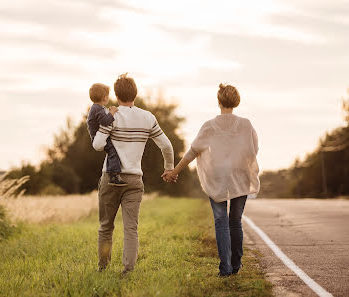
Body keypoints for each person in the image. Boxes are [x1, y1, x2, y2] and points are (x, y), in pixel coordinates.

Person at [163, 83, 260, 277]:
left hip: (218, 177)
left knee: (221, 221)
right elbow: (254, 149)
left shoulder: (209, 126)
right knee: (235, 221)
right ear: (236, 101)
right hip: (240, 175)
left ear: (219, 101)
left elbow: (192, 152)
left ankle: (225, 269)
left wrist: (174, 171)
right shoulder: (246, 124)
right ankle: (236, 264)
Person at [93, 73, 174, 276]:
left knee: (105, 226)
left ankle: (103, 267)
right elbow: (166, 145)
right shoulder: (148, 117)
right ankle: (128, 270)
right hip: (134, 180)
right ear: (135, 94)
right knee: (131, 228)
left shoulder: (110, 115)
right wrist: (169, 167)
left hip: (110, 178)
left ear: (116, 95)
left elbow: (98, 145)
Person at [87, 83, 127, 186]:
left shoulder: (96, 108)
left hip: (98, 136)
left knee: (111, 152)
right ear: (105, 98)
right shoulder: (97, 109)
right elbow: (105, 122)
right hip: (98, 138)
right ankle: (114, 175)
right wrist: (112, 112)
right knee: (113, 151)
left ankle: (112, 172)